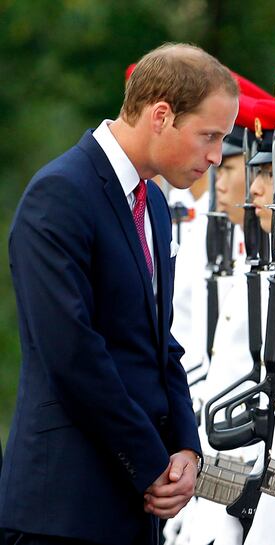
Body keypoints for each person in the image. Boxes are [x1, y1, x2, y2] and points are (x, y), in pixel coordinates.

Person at [0, 43, 239, 545]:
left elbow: (160, 344)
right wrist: (151, 463)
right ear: (160, 116)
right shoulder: (61, 194)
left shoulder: (151, 200)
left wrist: (186, 450)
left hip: (136, 506)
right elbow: (72, 353)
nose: (217, 156)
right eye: (209, 136)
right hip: (65, 512)